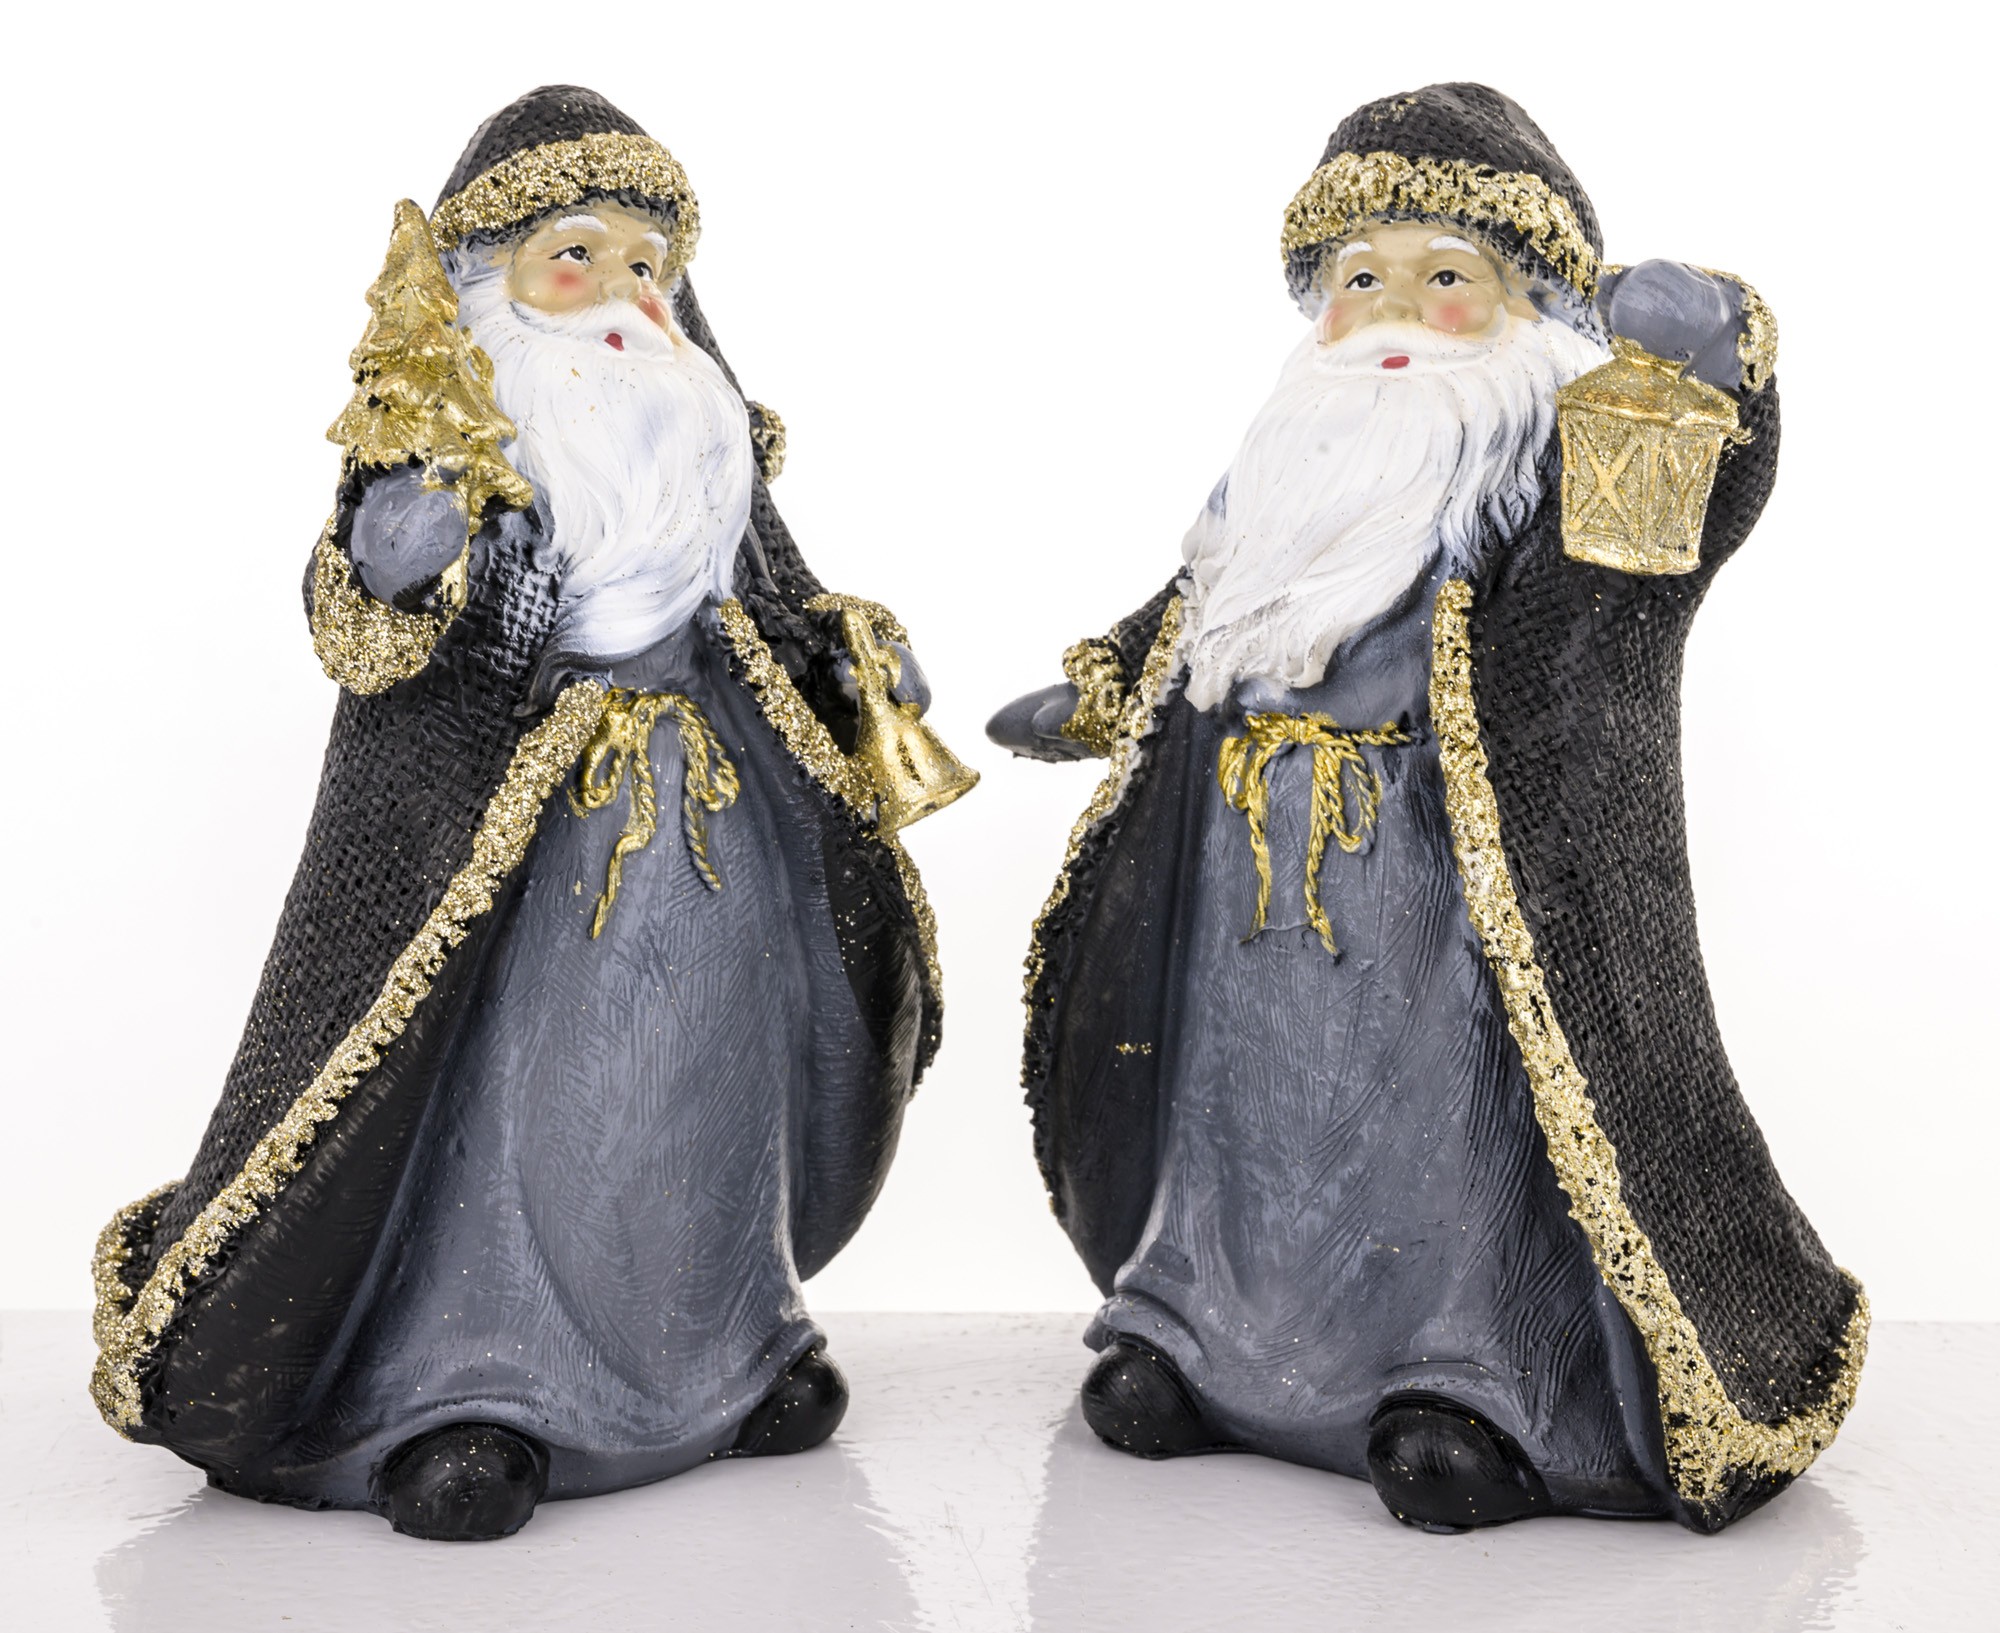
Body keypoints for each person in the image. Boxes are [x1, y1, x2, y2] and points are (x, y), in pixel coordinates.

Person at [992, 82, 1863, 1535]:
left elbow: (1669, 531)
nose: (1393, 314)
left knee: (1442, 1117)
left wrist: (1713, 364)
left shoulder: (1547, 467)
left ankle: (1466, 1377)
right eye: (1361, 280)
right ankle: (1199, 1340)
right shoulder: (1287, 469)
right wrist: (1101, 689)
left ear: (1524, 309)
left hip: (1446, 888)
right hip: (1244, 875)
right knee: (1240, 1112)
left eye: (1443, 277)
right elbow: (1205, 608)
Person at [91, 86, 959, 1542]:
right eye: (578, 258)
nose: (623, 296)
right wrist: (401, 552)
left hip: (714, 814)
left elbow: (776, 592)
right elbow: (367, 610)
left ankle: (727, 1348)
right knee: (518, 1098)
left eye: (648, 266)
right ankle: (475, 1382)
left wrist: (853, 651)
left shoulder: (700, 434)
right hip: (521, 844)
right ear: (495, 287)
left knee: (704, 1077)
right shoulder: (466, 445)